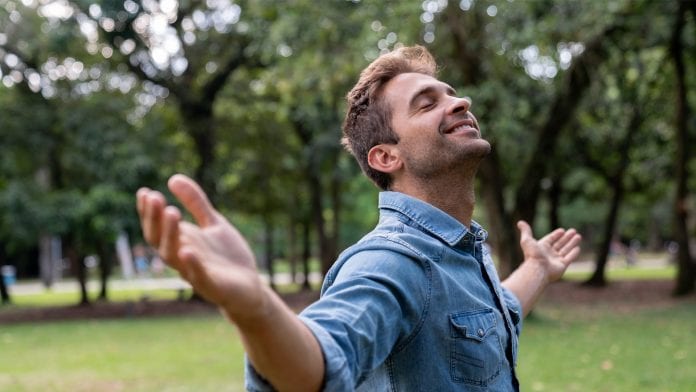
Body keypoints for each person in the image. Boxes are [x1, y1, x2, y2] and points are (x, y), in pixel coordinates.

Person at [136, 45, 581, 391]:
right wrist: (255, 308)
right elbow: (320, 362)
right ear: (387, 156)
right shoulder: (392, 262)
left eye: (451, 93)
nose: (460, 101)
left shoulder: (458, 248)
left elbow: (489, 315)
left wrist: (537, 269)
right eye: (426, 104)